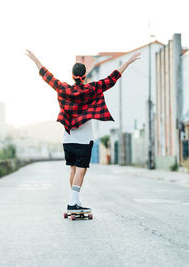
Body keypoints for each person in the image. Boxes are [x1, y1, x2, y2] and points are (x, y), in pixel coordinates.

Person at [25, 49, 140, 212]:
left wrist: (34, 58)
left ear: (72, 76)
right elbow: (111, 79)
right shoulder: (92, 89)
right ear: (85, 76)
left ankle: (74, 200)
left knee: (73, 169)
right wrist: (127, 62)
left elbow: (46, 75)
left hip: (67, 139)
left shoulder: (63, 89)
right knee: (81, 170)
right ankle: (72, 203)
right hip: (84, 140)